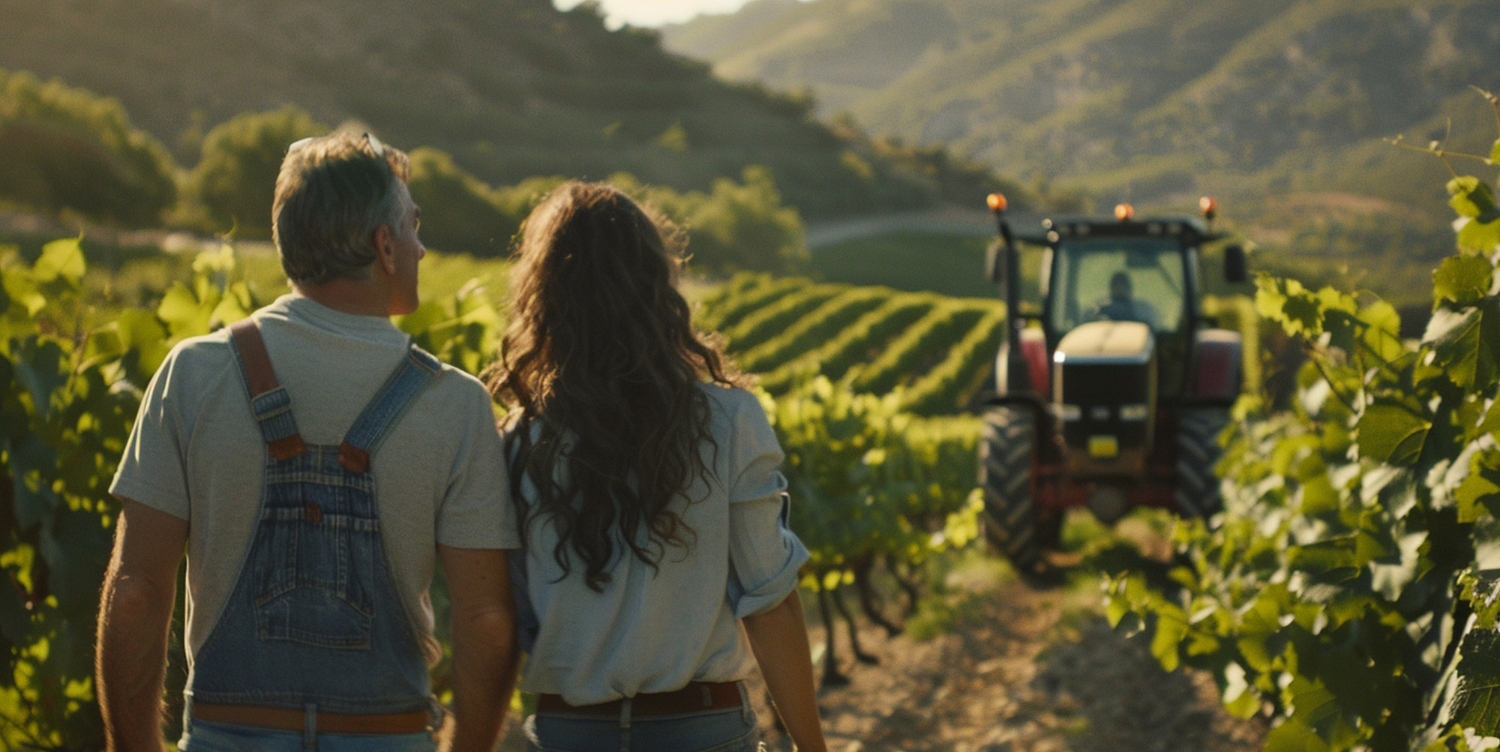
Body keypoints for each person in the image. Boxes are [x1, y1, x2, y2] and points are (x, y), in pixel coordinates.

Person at [97, 132, 521, 752]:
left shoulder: (194, 373)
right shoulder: (453, 403)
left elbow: (134, 593)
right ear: (384, 246)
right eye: (412, 227)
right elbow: (485, 622)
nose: (422, 248)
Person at [485, 182, 828, 752]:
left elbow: (502, 620)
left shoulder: (520, 439)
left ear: (543, 296)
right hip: (702, 729)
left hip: (569, 734)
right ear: (658, 287)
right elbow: (770, 603)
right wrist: (812, 748)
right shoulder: (728, 419)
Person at [1090, 271, 1160, 329]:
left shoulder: (1143, 311)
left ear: (1129, 288)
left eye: (1123, 284)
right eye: (1116, 284)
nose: (1119, 288)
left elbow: (1153, 330)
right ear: (1111, 287)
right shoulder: (1097, 310)